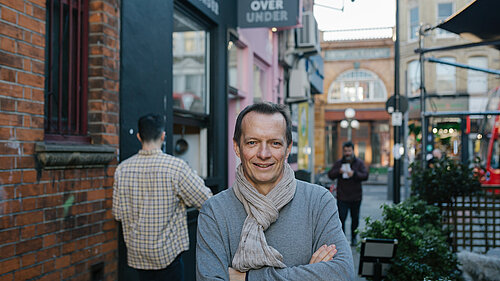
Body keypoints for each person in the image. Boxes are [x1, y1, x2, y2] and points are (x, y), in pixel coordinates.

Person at [196, 102, 354, 281]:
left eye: (275, 143)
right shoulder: (215, 211)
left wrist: (246, 277)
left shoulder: (318, 201)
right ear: (237, 147)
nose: (264, 154)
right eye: (252, 142)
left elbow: (342, 273)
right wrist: (310, 274)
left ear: (287, 149)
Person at [112, 113, 212, 281]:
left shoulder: (122, 169)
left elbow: (117, 213)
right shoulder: (176, 167)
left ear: (139, 136)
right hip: (168, 255)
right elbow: (206, 200)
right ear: (163, 136)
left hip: (138, 255)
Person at [328, 141, 369, 246]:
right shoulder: (339, 163)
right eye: (345, 151)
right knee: (341, 218)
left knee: (355, 218)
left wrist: (354, 174)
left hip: (356, 197)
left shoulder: (359, 163)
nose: (347, 153)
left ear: (353, 151)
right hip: (342, 197)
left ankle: (354, 238)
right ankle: (342, 239)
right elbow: (330, 175)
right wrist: (339, 172)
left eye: (349, 151)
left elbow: (365, 175)